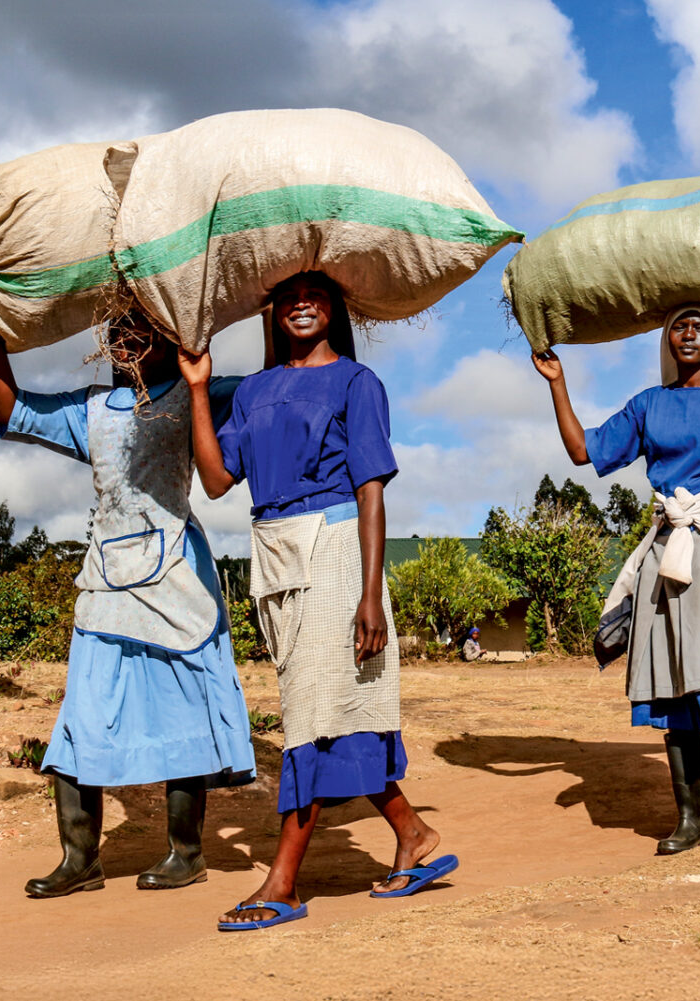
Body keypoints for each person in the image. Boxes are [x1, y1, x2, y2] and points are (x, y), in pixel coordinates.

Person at [180, 271, 456, 932]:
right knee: (331, 709)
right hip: (274, 553)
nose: (303, 303)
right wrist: (196, 388)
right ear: (273, 311)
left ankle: (281, 882)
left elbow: (370, 493)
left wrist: (370, 595)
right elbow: (218, 480)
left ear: (334, 308)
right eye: (290, 296)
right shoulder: (251, 390)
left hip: (335, 551)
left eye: (317, 294)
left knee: (308, 715)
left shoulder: (356, 383)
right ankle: (412, 833)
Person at [0, 313, 257, 898]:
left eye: (142, 327)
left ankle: (187, 854)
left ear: (167, 333)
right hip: (107, 582)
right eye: (117, 330)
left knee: (184, 713)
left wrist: (204, 371)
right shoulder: (92, 411)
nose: (127, 338)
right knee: (84, 717)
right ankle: (80, 860)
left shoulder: (196, 391)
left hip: (177, 579)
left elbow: (267, 390)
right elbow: (12, 413)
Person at [532, 304, 700, 854]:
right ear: (666, 340)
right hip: (664, 550)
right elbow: (582, 451)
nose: (688, 335)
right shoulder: (649, 405)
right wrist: (558, 383)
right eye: (678, 327)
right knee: (667, 681)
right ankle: (694, 817)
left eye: (699, 326)